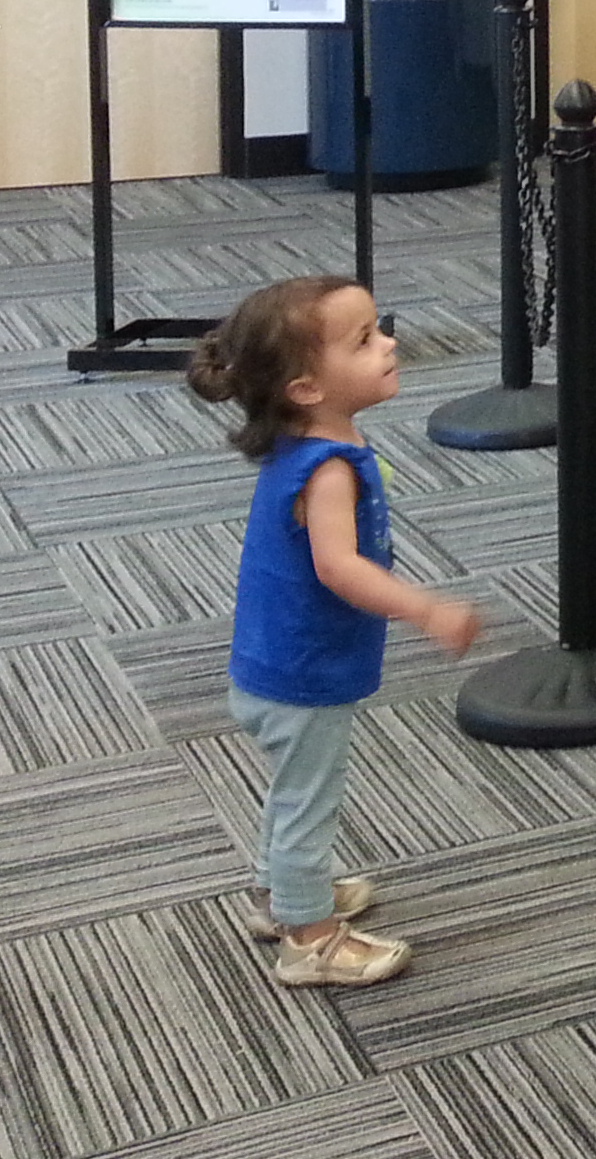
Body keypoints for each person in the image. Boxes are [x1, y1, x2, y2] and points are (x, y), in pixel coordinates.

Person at [186, 276, 483, 986]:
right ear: (306, 389)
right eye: (364, 340)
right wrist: (426, 609)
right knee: (307, 804)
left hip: (280, 662)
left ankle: (279, 897)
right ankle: (309, 938)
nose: (389, 344)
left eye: (380, 329)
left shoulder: (313, 445)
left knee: (296, 793)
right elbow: (339, 569)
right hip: (302, 672)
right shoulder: (326, 471)